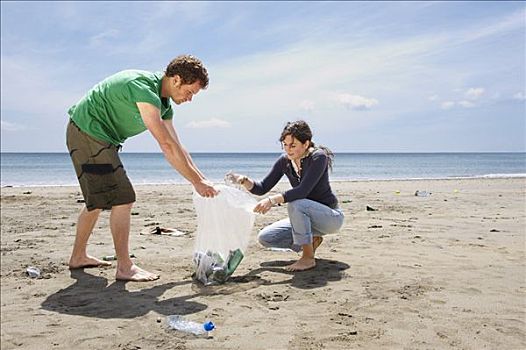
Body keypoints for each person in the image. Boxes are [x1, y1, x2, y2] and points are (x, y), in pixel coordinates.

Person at [66, 55, 218, 282]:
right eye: (190, 92)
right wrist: (195, 182)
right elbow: (165, 145)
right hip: (87, 133)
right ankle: (124, 267)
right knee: (123, 199)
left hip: (98, 138)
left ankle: (78, 256)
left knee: (98, 199)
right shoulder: (143, 87)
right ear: (176, 79)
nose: (190, 99)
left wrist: (202, 180)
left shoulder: (164, 104)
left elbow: (178, 147)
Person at [227, 120, 344, 271]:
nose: (288, 150)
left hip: (330, 218)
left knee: (296, 203)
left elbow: (303, 191)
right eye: (285, 145)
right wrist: (243, 180)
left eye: (293, 145)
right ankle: (312, 240)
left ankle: (308, 258)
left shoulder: (318, 157)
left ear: (306, 144)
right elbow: (262, 188)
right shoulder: (285, 161)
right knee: (266, 238)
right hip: (306, 217)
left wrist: (271, 201)